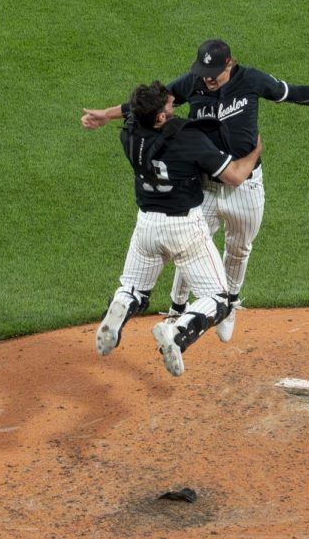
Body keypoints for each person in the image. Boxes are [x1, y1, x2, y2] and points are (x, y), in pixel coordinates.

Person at [81, 39, 309, 342]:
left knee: (240, 248)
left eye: (214, 71)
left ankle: (229, 305)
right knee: (189, 250)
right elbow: (149, 105)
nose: (207, 77)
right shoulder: (192, 82)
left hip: (246, 188)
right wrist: (107, 113)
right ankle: (177, 310)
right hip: (207, 185)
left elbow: (298, 94)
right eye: (204, 70)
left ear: (229, 63)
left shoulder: (251, 80)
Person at [95, 80, 263, 377]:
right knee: (219, 300)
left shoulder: (130, 134)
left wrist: (105, 115)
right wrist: (254, 151)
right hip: (184, 229)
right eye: (169, 106)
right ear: (160, 118)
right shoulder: (188, 141)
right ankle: (178, 332)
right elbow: (236, 176)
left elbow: (132, 112)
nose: (174, 106)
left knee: (133, 289)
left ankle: (120, 308)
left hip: (146, 225)